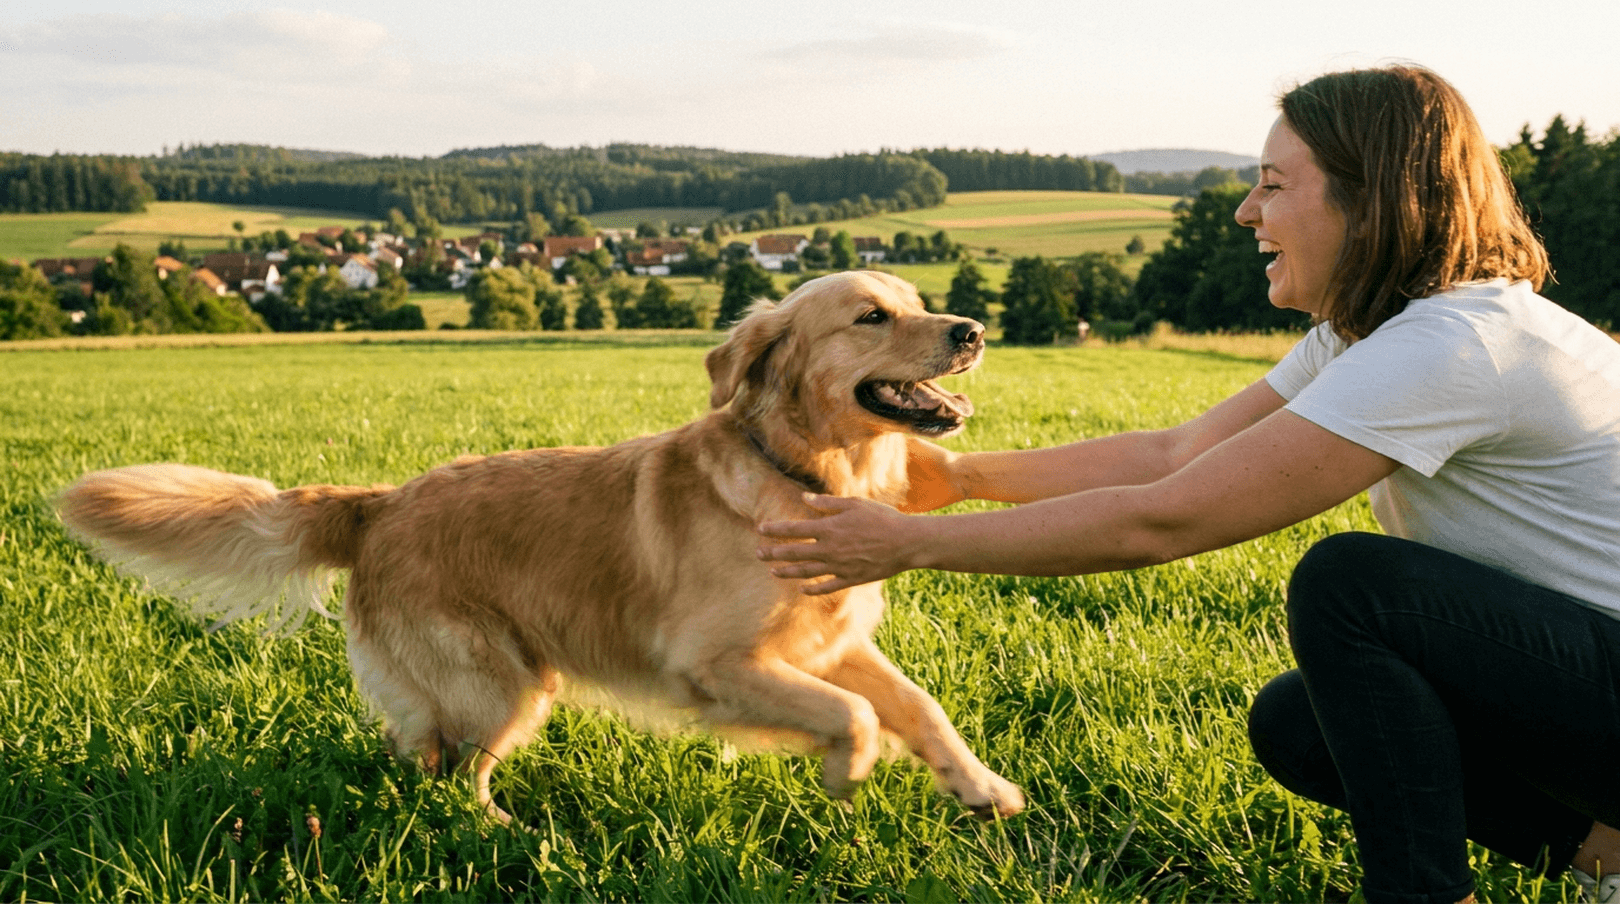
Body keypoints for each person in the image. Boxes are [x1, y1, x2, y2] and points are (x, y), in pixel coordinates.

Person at [756, 65, 1620, 904]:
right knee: (1305, 725)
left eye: (1274, 185)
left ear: (1373, 198)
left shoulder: (1452, 345)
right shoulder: (1375, 330)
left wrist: (908, 544)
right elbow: (1174, 454)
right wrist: (957, 479)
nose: (1248, 210)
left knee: (1356, 589)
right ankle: (1608, 856)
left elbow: (1167, 519)